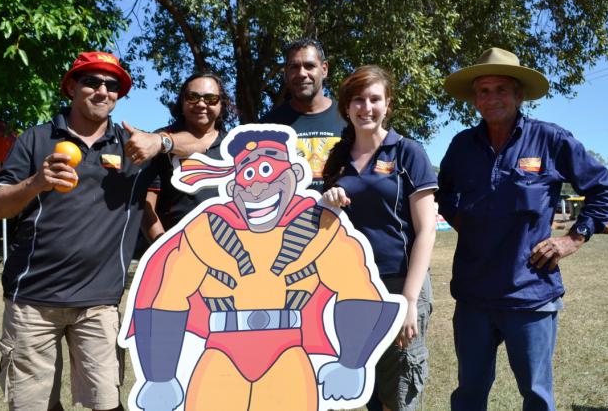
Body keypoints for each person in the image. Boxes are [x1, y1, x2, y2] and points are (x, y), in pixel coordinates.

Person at [124, 127, 401, 411]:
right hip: (220, 353)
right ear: (232, 188)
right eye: (247, 176)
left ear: (293, 176)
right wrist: (159, 376)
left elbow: (357, 289)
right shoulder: (206, 231)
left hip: (288, 353)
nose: (257, 187)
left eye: (268, 171)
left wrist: (351, 363)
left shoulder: (318, 227)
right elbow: (165, 296)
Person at [0, 51, 173, 411]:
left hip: (98, 304)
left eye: (112, 85)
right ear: (71, 86)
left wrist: (161, 141)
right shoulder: (37, 139)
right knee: (31, 406)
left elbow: (203, 138)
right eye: (92, 81)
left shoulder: (135, 147)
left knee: (106, 403)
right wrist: (36, 182)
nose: (103, 90)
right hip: (32, 301)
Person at [436, 47, 608, 411]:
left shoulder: (550, 140)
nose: (492, 98)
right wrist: (464, 222)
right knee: (469, 395)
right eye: (484, 91)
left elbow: (605, 189)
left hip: (531, 294)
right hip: (473, 296)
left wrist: (573, 238)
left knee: (536, 396)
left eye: (501, 89)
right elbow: (443, 195)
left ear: (519, 95)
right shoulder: (461, 146)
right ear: (475, 99)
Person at [321, 66, 438, 411]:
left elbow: (427, 230)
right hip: (352, 287)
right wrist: (328, 201)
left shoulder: (407, 152)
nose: (366, 107)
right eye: (358, 99)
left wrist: (410, 302)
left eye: (375, 99)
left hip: (401, 284)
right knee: (365, 387)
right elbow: (328, 227)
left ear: (388, 105)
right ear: (346, 107)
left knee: (400, 392)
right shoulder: (337, 160)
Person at [141, 72, 234, 240]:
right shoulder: (160, 140)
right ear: (182, 102)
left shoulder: (235, 146)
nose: (201, 104)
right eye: (192, 97)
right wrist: (163, 248)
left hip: (229, 251)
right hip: (177, 253)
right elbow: (146, 206)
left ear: (222, 104)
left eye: (210, 98)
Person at [260, 38, 345, 191]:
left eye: (309, 66)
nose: (301, 73)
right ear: (286, 72)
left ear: (324, 69)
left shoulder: (348, 118)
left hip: (339, 214)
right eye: (294, 67)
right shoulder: (267, 127)